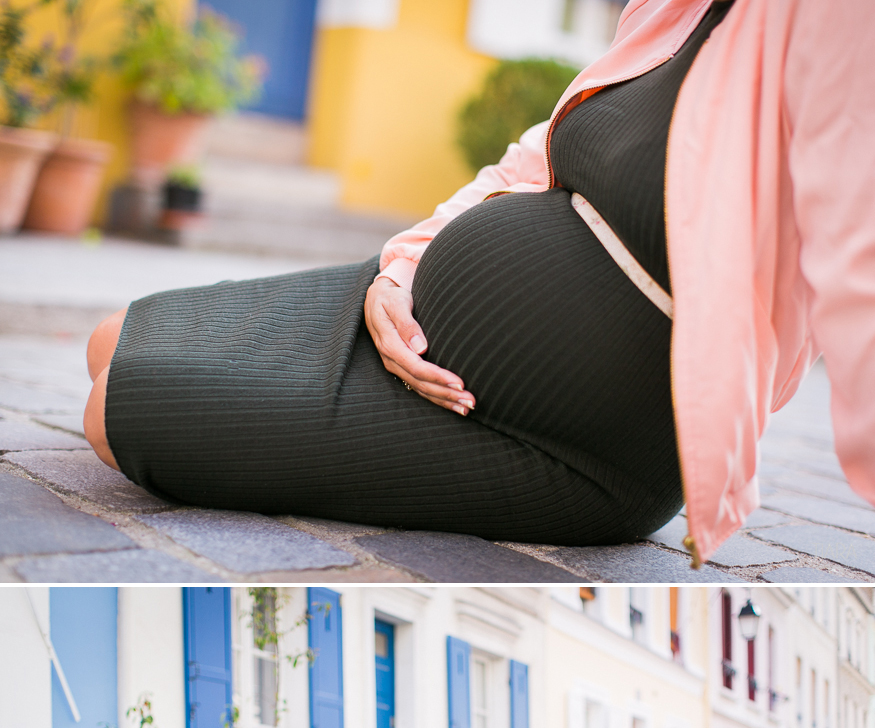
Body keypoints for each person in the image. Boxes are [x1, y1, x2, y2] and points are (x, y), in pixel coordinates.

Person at [81, 0, 873, 562]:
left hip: (576, 441)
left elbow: (857, 272)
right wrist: (400, 269)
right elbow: (536, 155)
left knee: (111, 416)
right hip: (416, 315)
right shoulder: (674, 10)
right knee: (107, 338)